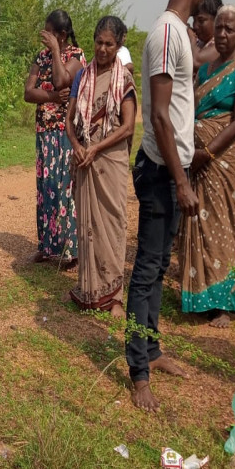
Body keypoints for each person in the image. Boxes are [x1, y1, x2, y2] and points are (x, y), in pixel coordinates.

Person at [126, 0, 212, 413]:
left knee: (159, 268)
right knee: (145, 271)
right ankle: (138, 369)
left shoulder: (179, 33)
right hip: (161, 174)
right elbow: (158, 115)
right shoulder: (163, 33)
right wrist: (181, 182)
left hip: (173, 170)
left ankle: (152, 350)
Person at [178, 5, 235, 328]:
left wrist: (207, 154)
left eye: (229, 29)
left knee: (221, 225)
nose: (223, 35)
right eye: (220, 28)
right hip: (198, 158)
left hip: (223, 160)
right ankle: (197, 293)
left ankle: (221, 303)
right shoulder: (209, 65)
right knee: (197, 221)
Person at [65, 16, 137, 319]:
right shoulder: (82, 76)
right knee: (89, 225)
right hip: (85, 158)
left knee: (113, 223)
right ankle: (90, 289)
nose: (103, 48)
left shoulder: (124, 80)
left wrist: (96, 147)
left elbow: (129, 125)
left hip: (111, 159)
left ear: (119, 45)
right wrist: (79, 146)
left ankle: (115, 296)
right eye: (99, 42)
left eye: (109, 43)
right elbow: (69, 121)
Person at [24, 9, 85, 265]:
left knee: (65, 188)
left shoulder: (76, 56)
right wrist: (50, 97)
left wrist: (57, 53)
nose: (44, 37)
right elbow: (28, 93)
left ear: (61, 35)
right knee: (46, 189)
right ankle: (47, 245)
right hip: (44, 132)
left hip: (65, 131)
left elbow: (62, 80)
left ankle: (70, 249)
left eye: (49, 32)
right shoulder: (40, 57)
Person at [190, 0, 223, 72]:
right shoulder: (199, 43)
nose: (195, 26)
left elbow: (196, 62)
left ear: (216, 19)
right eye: (194, 20)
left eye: (201, 21)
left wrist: (191, 37)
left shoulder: (220, 45)